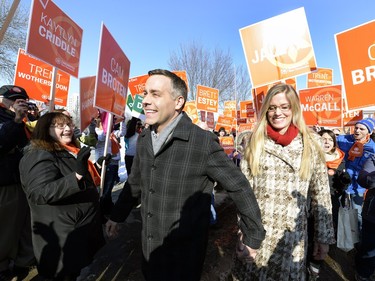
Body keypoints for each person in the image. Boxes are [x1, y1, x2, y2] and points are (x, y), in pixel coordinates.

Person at [105, 69, 265, 281]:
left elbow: (239, 186)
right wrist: (117, 216)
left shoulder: (202, 142)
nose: (145, 100)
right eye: (145, 93)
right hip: (149, 250)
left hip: (184, 257)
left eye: (155, 94)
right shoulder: (144, 139)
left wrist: (252, 236)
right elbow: (135, 183)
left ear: (178, 102)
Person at [235, 83, 335, 280]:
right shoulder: (254, 143)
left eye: (284, 107)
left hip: (292, 238)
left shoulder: (311, 144)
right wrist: (244, 234)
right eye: (272, 108)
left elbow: (321, 194)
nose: (277, 113)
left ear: (294, 109)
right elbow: (243, 196)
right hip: (257, 236)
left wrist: (323, 237)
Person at [19, 112, 105, 280]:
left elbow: (71, 175)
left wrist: (97, 167)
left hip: (77, 231)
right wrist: (77, 176)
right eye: (60, 126)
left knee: (72, 273)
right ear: (45, 129)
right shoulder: (39, 154)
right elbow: (39, 193)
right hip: (61, 237)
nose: (68, 129)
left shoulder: (64, 149)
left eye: (69, 125)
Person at [0, 85, 36, 280]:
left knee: (25, 226)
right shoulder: (11, 119)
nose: (18, 103)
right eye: (13, 99)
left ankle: (23, 262)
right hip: (5, 184)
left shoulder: (26, 120)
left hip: (24, 181)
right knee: (5, 228)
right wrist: (15, 120)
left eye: (22, 99)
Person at [306, 129, 350, 279]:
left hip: (330, 203)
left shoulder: (340, 159)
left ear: (334, 143)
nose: (326, 142)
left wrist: (343, 181)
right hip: (310, 202)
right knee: (310, 232)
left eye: (330, 140)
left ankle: (316, 264)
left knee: (324, 234)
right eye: (323, 138)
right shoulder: (309, 157)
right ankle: (308, 260)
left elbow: (340, 188)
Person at [336, 118, 375, 230]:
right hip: (340, 182)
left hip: (358, 186)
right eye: (356, 127)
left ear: (369, 132)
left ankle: (358, 238)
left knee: (357, 213)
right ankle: (342, 237)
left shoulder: (372, 148)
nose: (357, 130)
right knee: (339, 209)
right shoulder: (343, 140)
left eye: (361, 129)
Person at [95, 115, 123, 217]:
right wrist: (106, 126)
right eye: (106, 123)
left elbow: (122, 133)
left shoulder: (112, 134)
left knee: (109, 186)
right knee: (105, 188)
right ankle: (102, 209)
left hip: (114, 162)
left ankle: (107, 205)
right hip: (105, 163)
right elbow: (101, 137)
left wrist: (122, 122)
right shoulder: (98, 132)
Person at [355, 155, 375, 281]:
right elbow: (363, 179)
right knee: (369, 249)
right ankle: (363, 274)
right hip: (372, 215)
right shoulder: (372, 159)